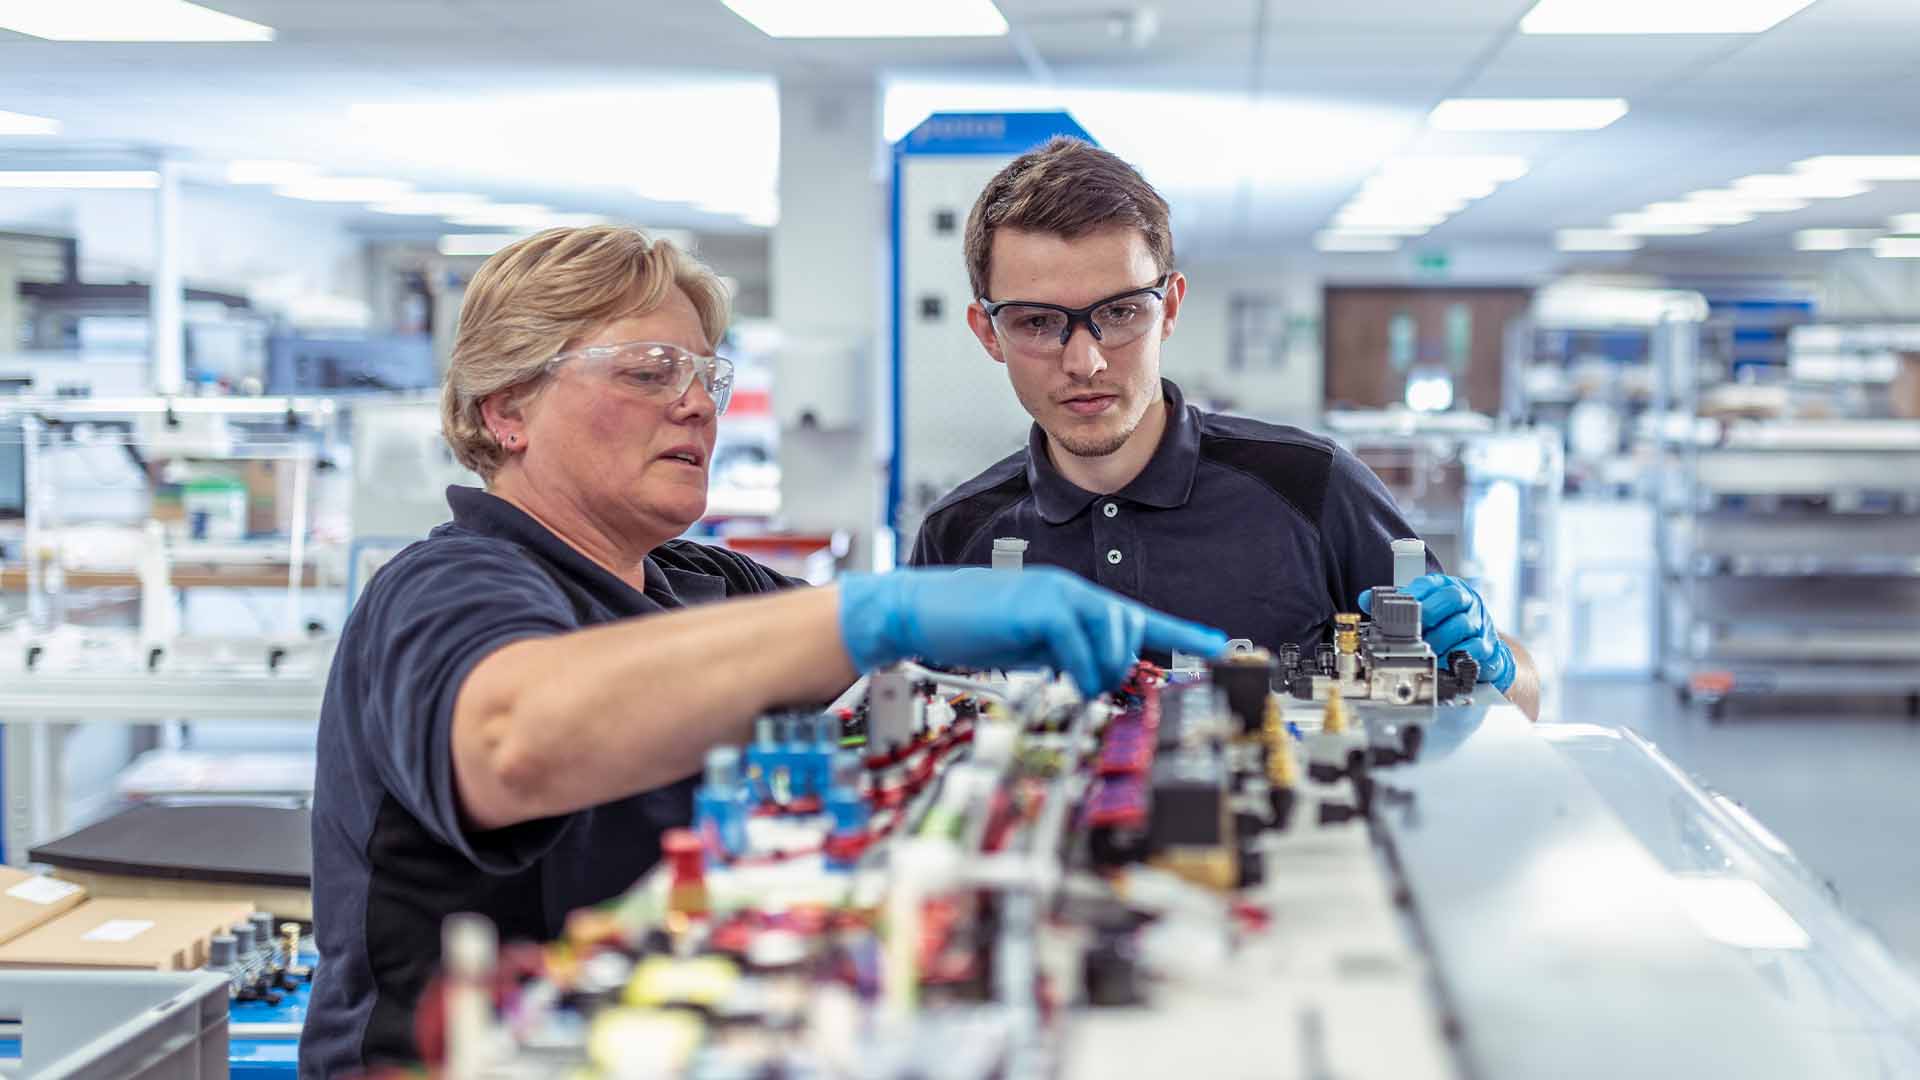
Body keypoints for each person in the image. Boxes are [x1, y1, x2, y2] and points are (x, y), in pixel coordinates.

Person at [302, 226, 1225, 1078]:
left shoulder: (701, 584)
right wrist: (883, 610)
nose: (700, 405)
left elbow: (909, 690)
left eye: (706, 373)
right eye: (650, 371)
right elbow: (512, 739)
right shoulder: (446, 587)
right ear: (507, 409)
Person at [908, 138, 1540, 720]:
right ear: (989, 332)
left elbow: (1525, 700)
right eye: (1038, 322)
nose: (1085, 362)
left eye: (1121, 312)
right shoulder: (957, 535)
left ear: (1171, 307)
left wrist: (1497, 665)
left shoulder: (1311, 487)